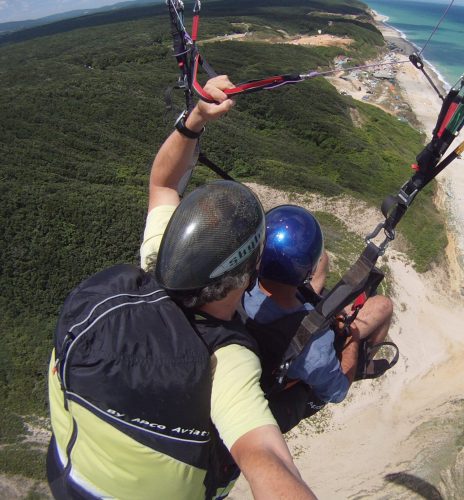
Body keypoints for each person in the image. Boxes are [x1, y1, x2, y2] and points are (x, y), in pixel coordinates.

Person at [46, 75, 315, 499]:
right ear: (247, 277)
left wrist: (195, 120)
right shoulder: (226, 362)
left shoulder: (157, 263)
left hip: (67, 471)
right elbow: (266, 456)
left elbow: (163, 184)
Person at [242, 205, 394, 428]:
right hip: (295, 351)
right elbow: (337, 392)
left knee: (323, 258)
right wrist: (350, 337)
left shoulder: (240, 285)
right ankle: (362, 362)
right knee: (384, 305)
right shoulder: (316, 349)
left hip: (270, 315)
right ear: (306, 273)